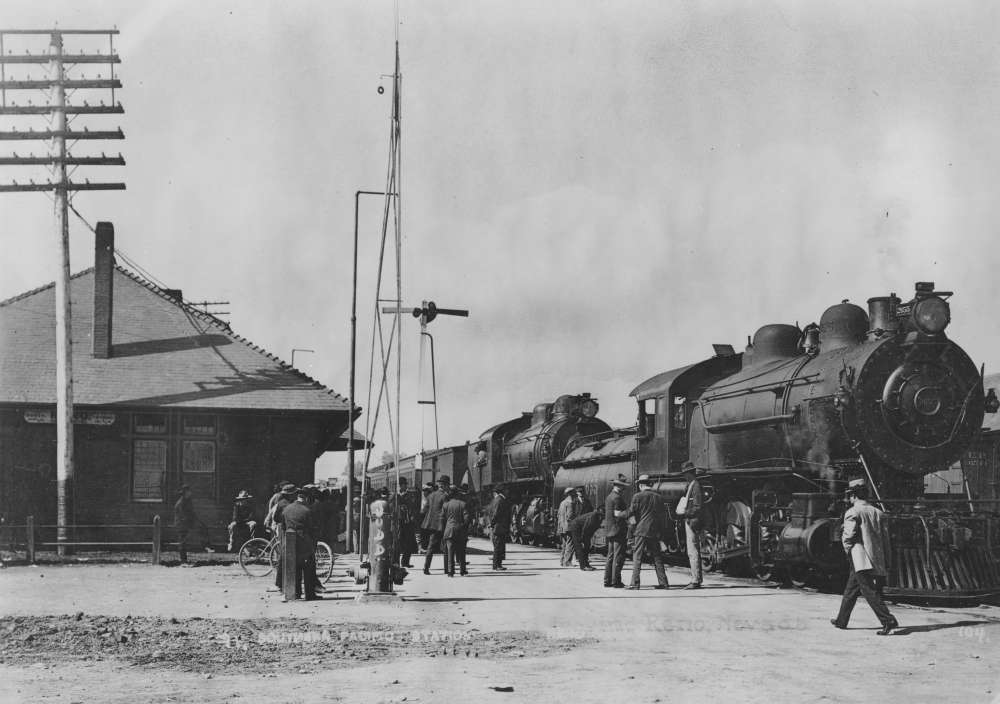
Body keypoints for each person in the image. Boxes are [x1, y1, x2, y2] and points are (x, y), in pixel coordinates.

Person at [831, 479, 899, 635]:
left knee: (868, 590)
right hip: (874, 556)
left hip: (859, 556)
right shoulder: (878, 512)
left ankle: (888, 620)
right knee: (851, 589)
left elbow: (848, 537)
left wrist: (848, 551)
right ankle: (842, 620)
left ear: (854, 496)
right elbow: (885, 539)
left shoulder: (853, 512)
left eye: (850, 496)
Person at [276, 487, 321, 601]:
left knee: (293, 567)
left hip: (289, 542)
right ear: (305, 498)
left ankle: (295, 593)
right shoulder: (307, 510)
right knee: (309, 568)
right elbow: (311, 528)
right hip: (304, 543)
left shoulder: (286, 509)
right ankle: (310, 594)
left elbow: (283, 526)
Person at [626, 475, 670, 590]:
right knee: (657, 557)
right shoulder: (658, 497)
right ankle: (664, 583)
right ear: (649, 484)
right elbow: (662, 517)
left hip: (640, 531)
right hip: (654, 531)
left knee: (638, 557)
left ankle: (635, 584)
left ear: (641, 485)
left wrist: (621, 515)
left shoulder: (637, 496)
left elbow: (631, 512)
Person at [679, 462, 705, 589]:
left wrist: (685, 512)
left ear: (690, 473)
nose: (684, 476)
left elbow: (698, 507)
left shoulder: (696, 486)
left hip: (692, 521)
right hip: (690, 520)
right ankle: (697, 578)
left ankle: (695, 580)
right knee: (693, 550)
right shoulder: (691, 485)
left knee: (692, 551)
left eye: (685, 473)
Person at [603, 477, 630, 588]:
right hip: (618, 530)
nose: (624, 488)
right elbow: (618, 514)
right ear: (619, 486)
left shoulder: (609, 497)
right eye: (623, 486)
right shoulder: (617, 498)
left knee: (610, 556)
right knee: (618, 557)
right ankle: (616, 581)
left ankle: (607, 580)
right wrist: (629, 512)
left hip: (610, 530)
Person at [422, 475, 450, 574]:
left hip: (431, 524)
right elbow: (446, 511)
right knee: (446, 546)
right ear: (445, 485)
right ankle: (447, 569)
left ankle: (426, 567)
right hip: (442, 524)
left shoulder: (431, 495)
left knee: (431, 546)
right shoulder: (445, 496)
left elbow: (424, 510)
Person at [442, 486, 470, 577]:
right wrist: (464, 527)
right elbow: (467, 519)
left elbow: (442, 518)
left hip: (449, 530)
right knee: (461, 551)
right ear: (457, 494)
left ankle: (451, 572)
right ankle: (462, 570)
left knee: (450, 551)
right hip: (460, 530)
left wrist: (445, 528)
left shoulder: (446, 505)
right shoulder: (463, 504)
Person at [391, 477, 418, 568]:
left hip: (407, 522)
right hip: (398, 522)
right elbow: (391, 507)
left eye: (405, 485)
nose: (405, 486)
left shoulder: (409, 495)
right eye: (403, 485)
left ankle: (405, 562)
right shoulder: (394, 496)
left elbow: (412, 507)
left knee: (409, 542)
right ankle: (396, 562)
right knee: (397, 542)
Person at [488, 486, 512, 570]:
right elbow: (496, 513)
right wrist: (492, 523)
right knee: (498, 546)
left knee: (499, 546)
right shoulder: (500, 500)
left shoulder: (497, 500)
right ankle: (496, 565)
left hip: (499, 526)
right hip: (499, 527)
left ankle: (498, 564)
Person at [173, 484, 197, 565]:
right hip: (181, 525)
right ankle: (183, 560)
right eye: (188, 492)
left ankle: (184, 560)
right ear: (185, 493)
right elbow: (183, 515)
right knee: (182, 543)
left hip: (185, 524)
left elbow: (191, 512)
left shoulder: (187, 501)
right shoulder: (181, 503)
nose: (190, 493)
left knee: (184, 542)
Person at [556, 487, 579, 566]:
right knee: (570, 544)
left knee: (564, 544)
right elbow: (570, 516)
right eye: (574, 493)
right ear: (571, 494)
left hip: (562, 526)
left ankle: (562, 561)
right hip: (568, 527)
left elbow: (558, 514)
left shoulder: (562, 502)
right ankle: (567, 562)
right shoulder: (570, 503)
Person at [418, 483, 434, 552]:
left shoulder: (429, 498)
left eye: (426, 490)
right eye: (423, 490)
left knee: (426, 534)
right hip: (422, 518)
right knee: (422, 534)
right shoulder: (420, 498)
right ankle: (422, 547)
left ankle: (425, 547)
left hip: (427, 518)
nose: (424, 492)